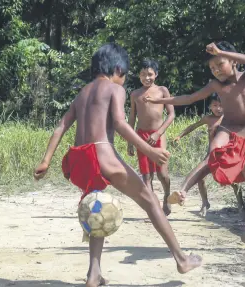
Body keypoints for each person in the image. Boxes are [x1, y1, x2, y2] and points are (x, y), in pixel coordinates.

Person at [33, 43, 202, 287]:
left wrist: (46, 160)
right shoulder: (115, 89)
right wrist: (150, 151)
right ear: (118, 69)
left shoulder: (83, 92)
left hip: (81, 157)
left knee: (96, 209)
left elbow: (62, 125)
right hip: (102, 152)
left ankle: (93, 274)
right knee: (150, 200)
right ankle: (182, 259)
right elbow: (121, 124)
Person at [144, 41, 245, 251]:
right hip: (227, 130)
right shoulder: (216, 85)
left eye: (220, 64)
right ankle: (183, 190)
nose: (216, 70)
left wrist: (221, 52)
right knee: (214, 154)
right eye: (212, 68)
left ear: (233, 61)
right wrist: (158, 102)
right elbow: (189, 98)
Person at [172, 94, 242, 217]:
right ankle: (205, 203)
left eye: (221, 105)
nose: (218, 108)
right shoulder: (208, 119)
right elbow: (193, 126)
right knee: (200, 178)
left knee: (233, 180)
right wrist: (179, 135)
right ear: (209, 106)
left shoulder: (229, 118)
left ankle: (241, 205)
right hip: (210, 154)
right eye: (215, 105)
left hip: (226, 154)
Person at [127, 59, 175, 215]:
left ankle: (167, 195)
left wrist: (158, 133)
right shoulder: (135, 94)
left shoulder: (162, 90)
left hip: (158, 135)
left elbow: (171, 114)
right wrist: (130, 141)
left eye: (150, 74)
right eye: (142, 74)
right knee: (146, 175)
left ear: (156, 74)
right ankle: (154, 207)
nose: (146, 78)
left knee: (162, 174)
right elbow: (132, 118)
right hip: (141, 137)